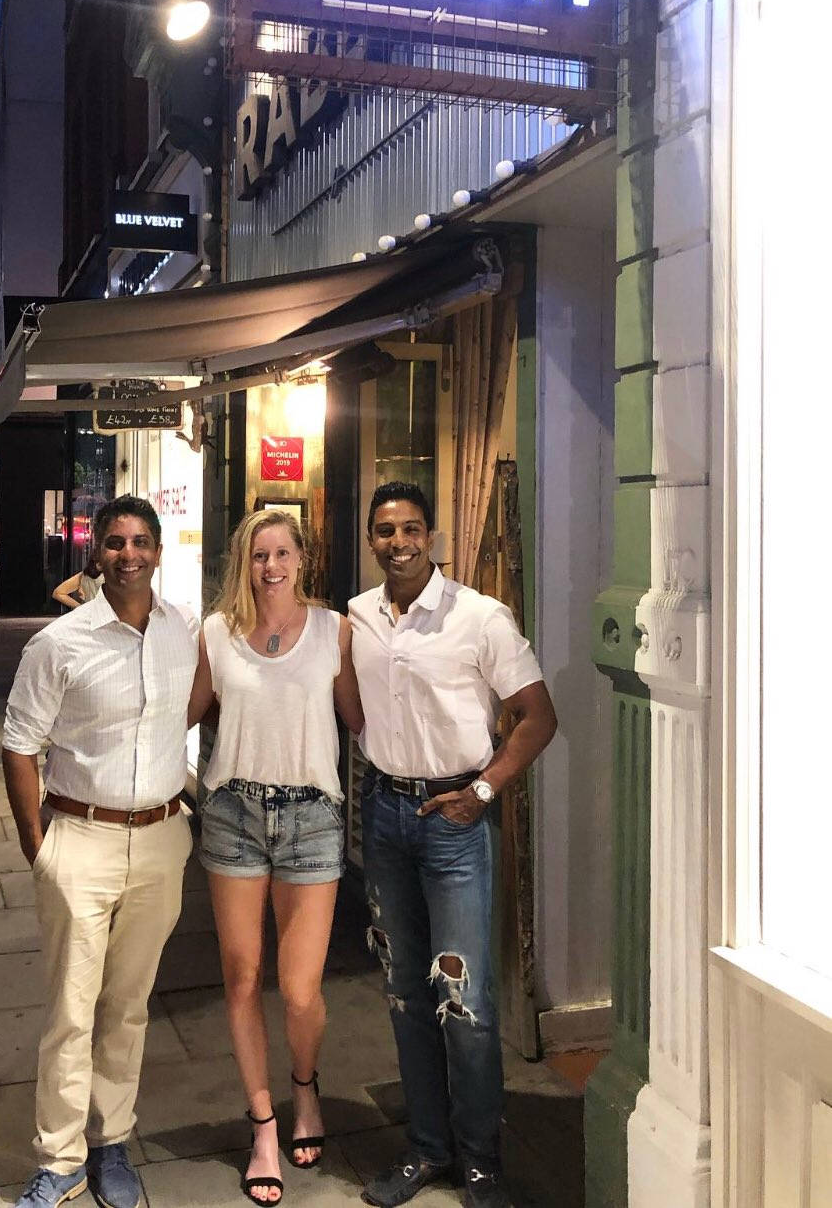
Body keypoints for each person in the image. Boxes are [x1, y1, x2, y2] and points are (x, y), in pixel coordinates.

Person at [349, 482, 557, 1208]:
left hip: (455, 820)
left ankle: (480, 1161)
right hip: (384, 817)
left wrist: (485, 793)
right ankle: (426, 1149)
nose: (397, 542)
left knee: (462, 996)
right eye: (384, 530)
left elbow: (535, 716)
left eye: (410, 529)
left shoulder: (479, 618)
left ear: (430, 536)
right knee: (406, 993)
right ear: (370, 538)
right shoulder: (357, 619)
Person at [2, 495, 198, 1208]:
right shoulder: (61, 642)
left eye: (140, 541)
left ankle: (110, 1140)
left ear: (158, 551)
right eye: (114, 542)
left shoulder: (184, 630)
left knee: (129, 1004)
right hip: (78, 837)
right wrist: (39, 847)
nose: (128, 554)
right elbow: (19, 745)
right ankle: (60, 1159)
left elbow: (198, 702)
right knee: (70, 1010)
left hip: (160, 838)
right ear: (95, 552)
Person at [188, 508, 363, 1205]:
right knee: (240, 978)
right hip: (232, 814)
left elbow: (359, 717)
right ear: (243, 561)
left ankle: (303, 1087)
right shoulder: (216, 634)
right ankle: (263, 1122)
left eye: (282, 552)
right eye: (259, 554)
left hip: (311, 819)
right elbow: (186, 710)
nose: (270, 567)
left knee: (298, 990)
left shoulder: (333, 631)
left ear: (301, 558)